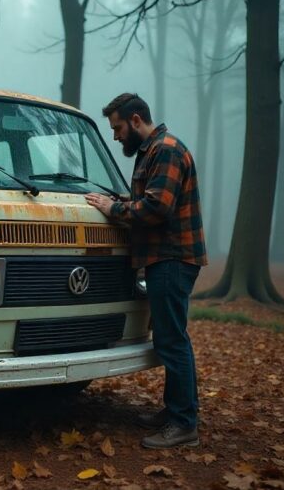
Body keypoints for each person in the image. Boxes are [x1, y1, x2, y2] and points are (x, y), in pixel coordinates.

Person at [85, 93, 207, 449]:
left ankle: (184, 423)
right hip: (165, 258)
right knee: (171, 339)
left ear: (136, 120)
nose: (116, 136)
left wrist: (113, 209)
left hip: (171, 258)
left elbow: (156, 208)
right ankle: (175, 412)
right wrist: (121, 202)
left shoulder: (165, 150)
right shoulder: (153, 150)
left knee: (172, 341)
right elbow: (147, 200)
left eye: (118, 127)